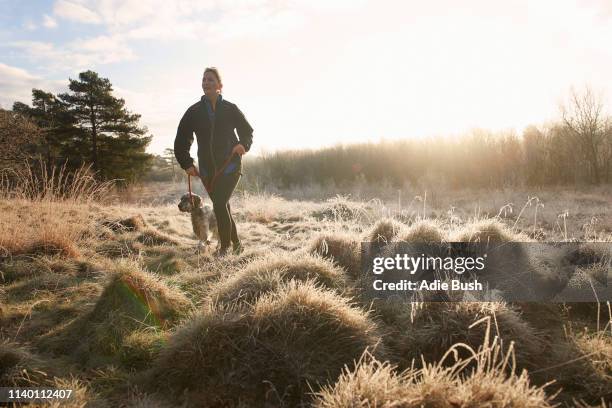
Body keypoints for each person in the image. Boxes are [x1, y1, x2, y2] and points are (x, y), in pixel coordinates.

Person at [174, 67, 253, 256]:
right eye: (204, 80)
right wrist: (187, 163)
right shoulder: (193, 111)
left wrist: (243, 144)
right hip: (209, 171)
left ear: (220, 86)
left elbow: (247, 131)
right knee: (223, 205)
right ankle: (237, 245)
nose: (206, 83)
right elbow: (181, 139)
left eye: (210, 80)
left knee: (218, 204)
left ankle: (224, 248)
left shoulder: (230, 108)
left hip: (230, 165)